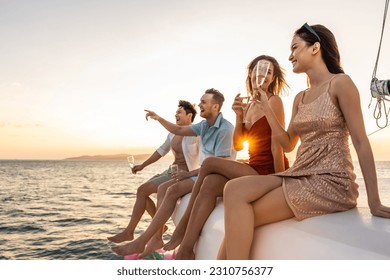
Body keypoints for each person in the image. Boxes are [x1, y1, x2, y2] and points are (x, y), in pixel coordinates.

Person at [218, 23, 390, 260]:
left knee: (243, 215)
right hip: (300, 173)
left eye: (295, 48)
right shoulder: (300, 97)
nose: (289, 56)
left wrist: (374, 201)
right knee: (233, 189)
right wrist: (267, 108)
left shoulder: (341, 83)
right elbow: (288, 144)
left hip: (330, 180)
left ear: (315, 48)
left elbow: (361, 141)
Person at [163, 55, 290, 259]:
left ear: (273, 78)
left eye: (269, 72)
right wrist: (239, 116)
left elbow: (278, 148)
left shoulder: (274, 101)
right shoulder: (247, 106)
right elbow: (239, 144)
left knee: (211, 162)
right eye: (260, 70)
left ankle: (182, 229)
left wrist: (281, 180)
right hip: (253, 165)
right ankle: (186, 249)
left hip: (268, 169)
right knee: (211, 182)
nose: (264, 75)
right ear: (251, 73)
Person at [112, 88, 236, 257]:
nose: (199, 104)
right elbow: (172, 138)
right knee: (158, 189)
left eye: (203, 102)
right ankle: (153, 235)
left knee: (169, 189)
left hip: (210, 175)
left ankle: (147, 239)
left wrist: (190, 174)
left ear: (215, 107)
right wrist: (159, 118)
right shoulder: (203, 127)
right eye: (199, 101)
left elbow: (219, 165)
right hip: (194, 172)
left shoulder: (224, 129)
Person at [107, 100, 199, 244]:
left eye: (179, 112)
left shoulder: (197, 133)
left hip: (184, 174)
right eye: (175, 112)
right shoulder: (172, 135)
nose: (176, 114)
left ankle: (132, 232)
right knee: (141, 192)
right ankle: (153, 228)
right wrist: (142, 165)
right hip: (170, 171)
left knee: (142, 190)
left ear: (189, 115)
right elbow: (160, 152)